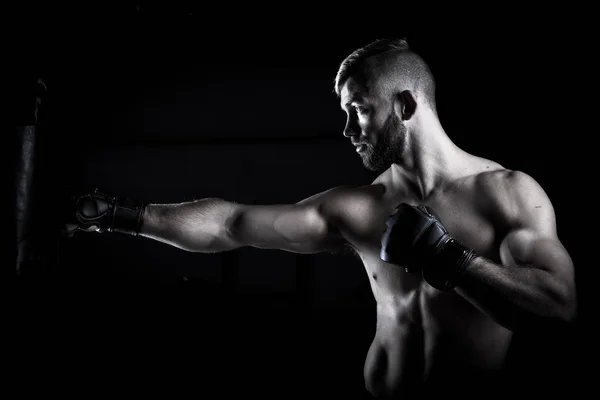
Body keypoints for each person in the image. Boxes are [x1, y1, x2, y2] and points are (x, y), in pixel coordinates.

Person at [63, 38, 577, 397]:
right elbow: (231, 225)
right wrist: (117, 215)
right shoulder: (358, 208)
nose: (348, 129)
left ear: (403, 104)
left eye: (359, 110)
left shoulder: (508, 193)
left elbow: (557, 313)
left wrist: (450, 259)